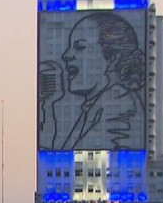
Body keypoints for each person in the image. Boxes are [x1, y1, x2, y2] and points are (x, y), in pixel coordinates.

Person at [39, 12, 146, 151]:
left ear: (112, 59)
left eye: (80, 47)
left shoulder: (119, 104)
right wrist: (49, 105)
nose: (66, 55)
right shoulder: (97, 104)